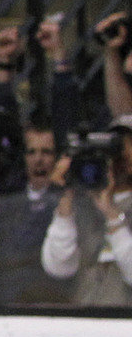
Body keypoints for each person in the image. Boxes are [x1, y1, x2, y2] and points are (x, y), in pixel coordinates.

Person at [42, 125, 132, 308]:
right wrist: (66, 198)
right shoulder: (82, 206)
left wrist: (112, 215)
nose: (116, 162)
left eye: (121, 153)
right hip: (82, 323)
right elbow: (58, 267)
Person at [0, 125, 69, 304]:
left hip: (55, 301)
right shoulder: (4, 203)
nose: (38, 159)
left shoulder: (69, 202)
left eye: (46, 152)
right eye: (31, 152)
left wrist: (57, 190)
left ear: (58, 158)